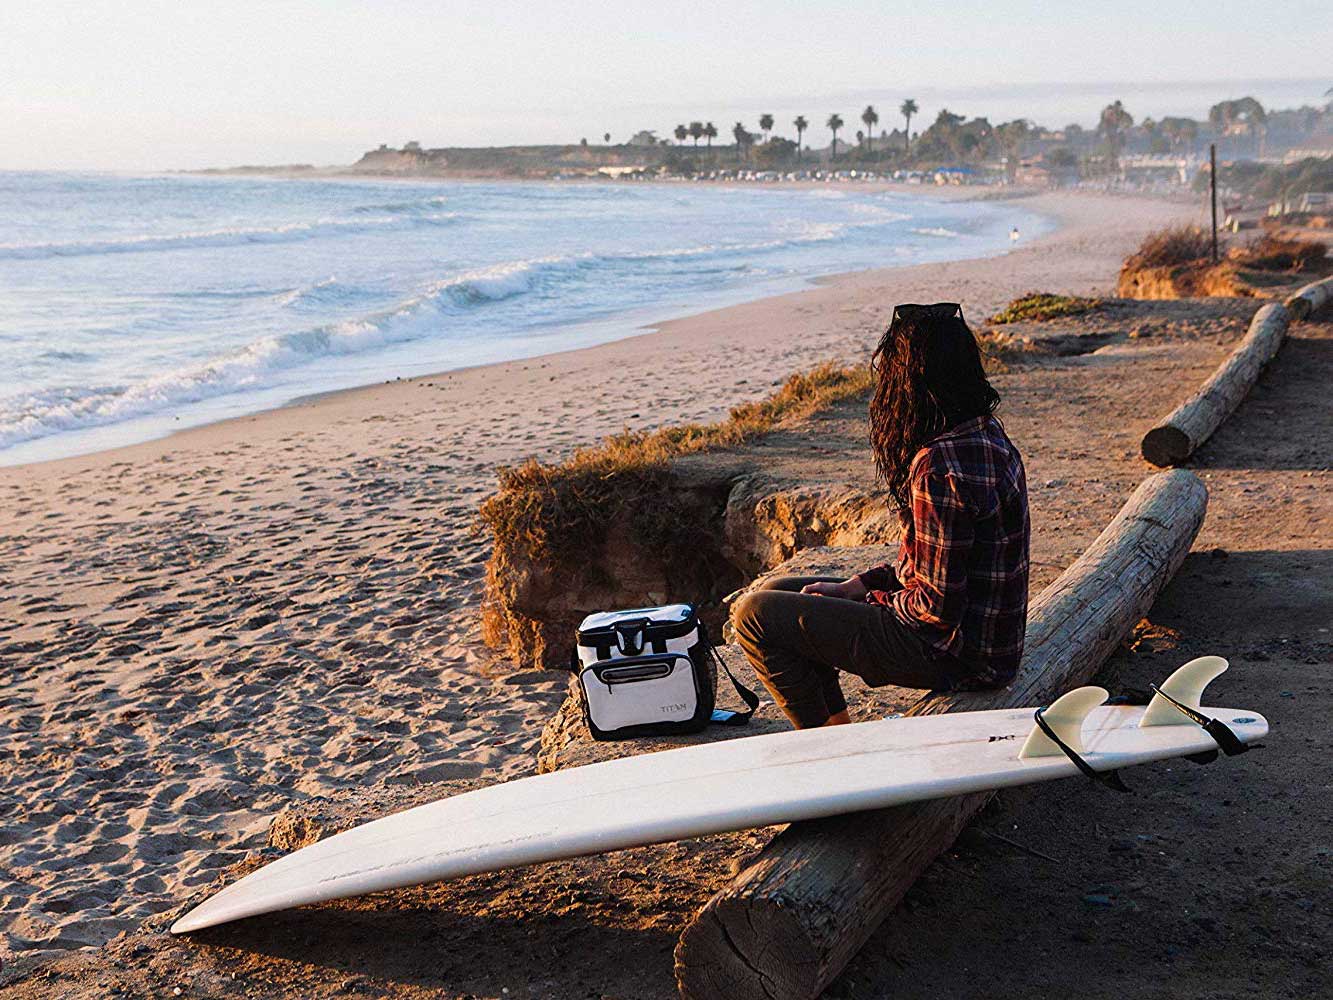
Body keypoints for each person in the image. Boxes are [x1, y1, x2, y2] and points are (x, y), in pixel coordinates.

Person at [731, 302, 1029, 729]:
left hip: (960, 656)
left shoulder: (941, 466)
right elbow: (940, 571)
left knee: (756, 615)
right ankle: (837, 728)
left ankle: (830, 755)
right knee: (784, 590)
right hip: (979, 640)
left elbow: (935, 609)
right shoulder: (984, 433)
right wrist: (860, 586)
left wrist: (874, 602)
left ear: (909, 382)